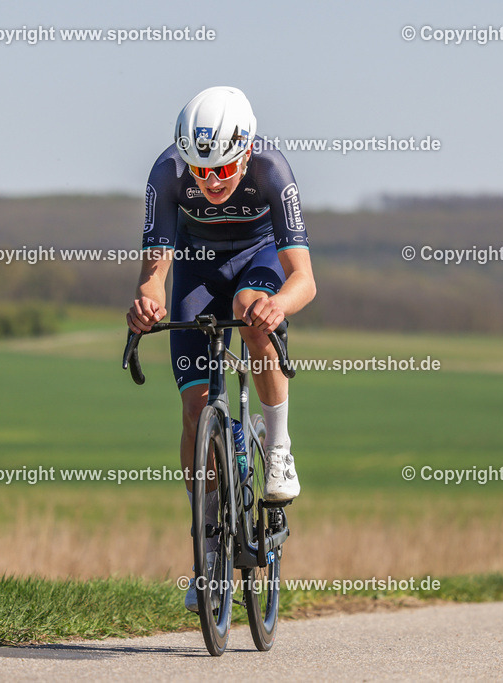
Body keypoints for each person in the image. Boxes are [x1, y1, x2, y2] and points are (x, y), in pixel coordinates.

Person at [125, 86, 316, 611]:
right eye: (199, 171)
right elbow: (154, 275)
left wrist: (280, 307)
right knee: (193, 411)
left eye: (223, 171)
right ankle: (207, 551)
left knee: (256, 312)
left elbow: (304, 278)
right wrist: (145, 304)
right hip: (198, 268)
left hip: (258, 260)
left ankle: (278, 449)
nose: (210, 182)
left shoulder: (273, 172)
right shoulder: (166, 174)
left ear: (246, 151)